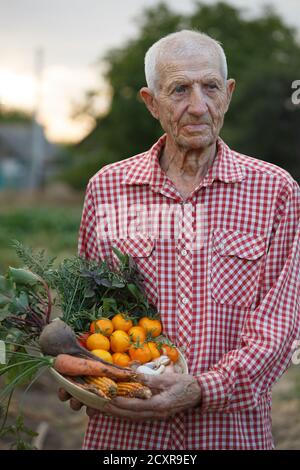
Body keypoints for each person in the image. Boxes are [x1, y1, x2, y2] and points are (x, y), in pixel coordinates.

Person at [59, 30, 300, 450]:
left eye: (209, 87)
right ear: (151, 102)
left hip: (229, 436)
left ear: (228, 94)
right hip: (124, 437)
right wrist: (82, 370)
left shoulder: (276, 191)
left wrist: (202, 388)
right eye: (179, 90)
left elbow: (278, 329)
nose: (197, 106)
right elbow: (88, 313)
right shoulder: (108, 188)